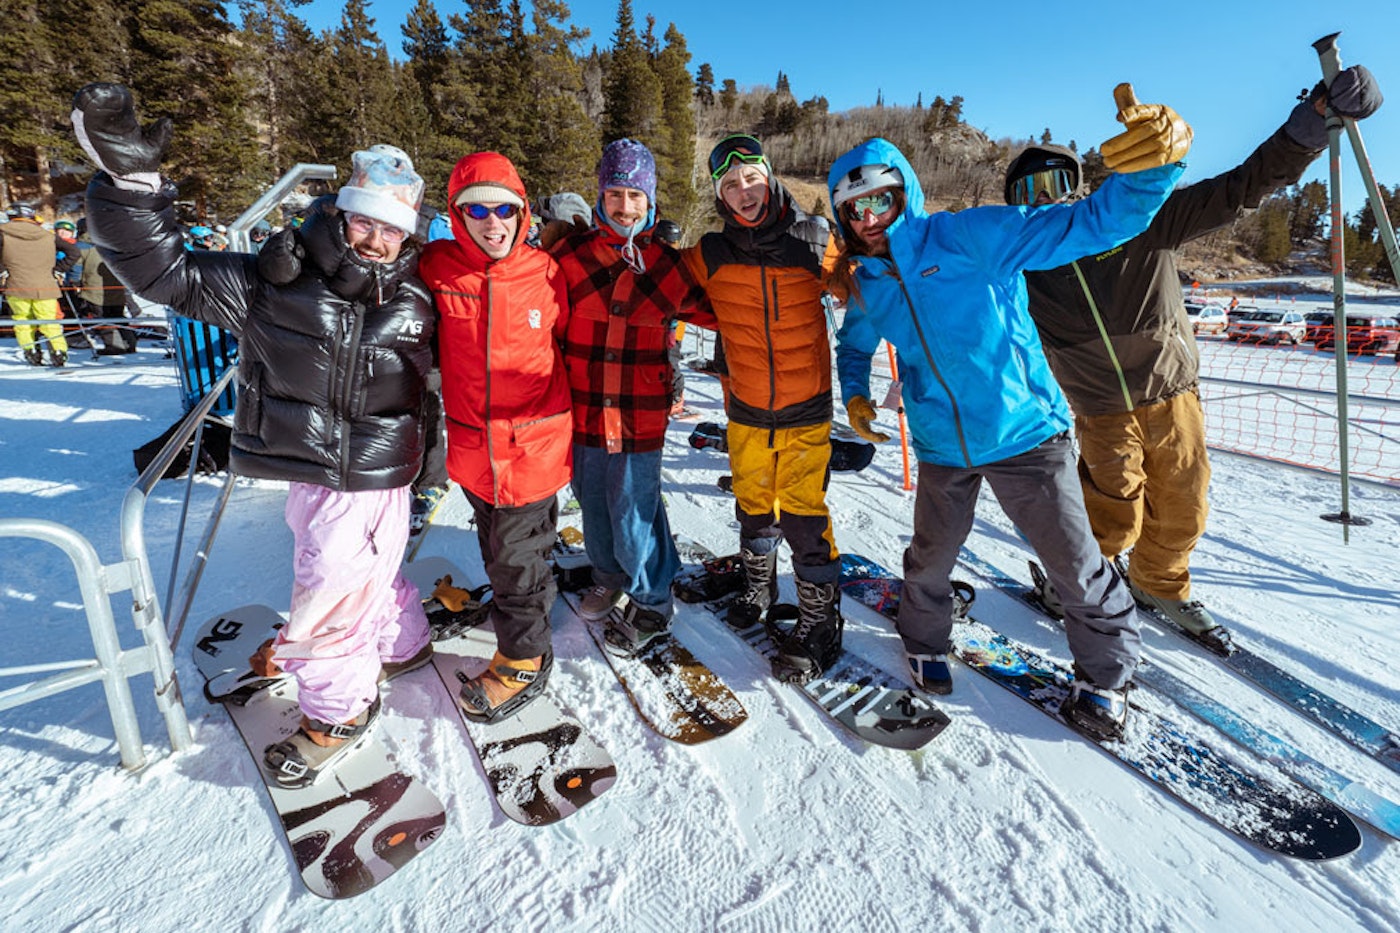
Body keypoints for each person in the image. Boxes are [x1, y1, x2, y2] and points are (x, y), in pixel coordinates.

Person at [73, 83, 436, 786]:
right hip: (311, 471)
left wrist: (441, 459)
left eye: (393, 229)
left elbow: (444, 382)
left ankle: (338, 709)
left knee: (332, 593)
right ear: (342, 212)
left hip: (376, 478)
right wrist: (133, 187)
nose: (377, 239)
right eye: (366, 221)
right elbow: (163, 274)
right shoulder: (275, 282)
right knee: (349, 577)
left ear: (409, 232)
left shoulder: (417, 293)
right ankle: (400, 643)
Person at [828, 86, 1191, 739]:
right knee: (930, 558)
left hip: (1026, 432)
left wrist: (1154, 171)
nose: (871, 216)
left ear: (904, 191)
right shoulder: (867, 283)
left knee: (1075, 562)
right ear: (842, 218)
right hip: (942, 444)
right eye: (855, 208)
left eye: (882, 198)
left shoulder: (973, 235)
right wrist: (855, 393)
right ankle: (923, 637)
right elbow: (853, 343)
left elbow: (1085, 224)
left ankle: (1106, 676)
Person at [1007, 65, 1382, 655]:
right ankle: (1078, 580)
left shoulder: (1139, 223)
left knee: (1185, 499)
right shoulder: (1022, 263)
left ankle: (1159, 583)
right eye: (1027, 193)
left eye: (1056, 184)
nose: (1044, 201)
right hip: (1099, 403)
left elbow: (1241, 188)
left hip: (1168, 389)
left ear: (1081, 188)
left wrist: (1308, 125)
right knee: (1111, 507)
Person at [681, 134, 844, 683]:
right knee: (753, 501)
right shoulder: (711, 253)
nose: (742, 191)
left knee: (801, 510)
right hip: (747, 405)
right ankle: (759, 583)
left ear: (769, 177)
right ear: (720, 196)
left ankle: (821, 616)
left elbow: (867, 286)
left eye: (750, 177)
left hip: (806, 405)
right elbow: (664, 285)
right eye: (729, 184)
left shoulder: (814, 238)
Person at [418, 151, 573, 722]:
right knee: (497, 542)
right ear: (458, 216)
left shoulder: (549, 272)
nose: (493, 221)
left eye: (504, 208)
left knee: (517, 553)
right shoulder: (436, 268)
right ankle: (524, 609)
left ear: (522, 211)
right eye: (476, 209)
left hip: (533, 446)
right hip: (471, 449)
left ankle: (526, 655)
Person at [547, 139, 712, 656]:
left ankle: (653, 597)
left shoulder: (669, 265)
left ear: (651, 201)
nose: (624, 206)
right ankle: (608, 574)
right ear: (600, 195)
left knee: (633, 509)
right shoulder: (569, 256)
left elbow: (725, 309)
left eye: (635, 196)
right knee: (592, 499)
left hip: (639, 416)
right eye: (615, 193)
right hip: (585, 409)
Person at [0, 203, 76, 367]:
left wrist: (3, 270)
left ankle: (32, 352)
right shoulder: (48, 234)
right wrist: (58, 269)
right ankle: (58, 352)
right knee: (49, 320)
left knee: (23, 320)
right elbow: (74, 252)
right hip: (46, 285)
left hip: (16, 285)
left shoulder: (3, 232)